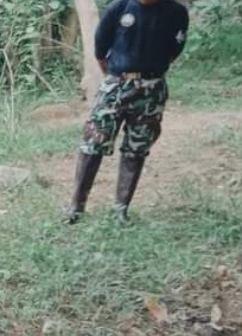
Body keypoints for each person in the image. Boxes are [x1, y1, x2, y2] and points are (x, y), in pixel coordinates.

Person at [66, 0, 189, 224]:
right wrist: (120, 76)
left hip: (152, 88)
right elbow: (100, 51)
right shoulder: (119, 8)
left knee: (137, 148)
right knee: (94, 143)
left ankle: (121, 209)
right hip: (116, 85)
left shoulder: (176, 12)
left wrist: (148, 72)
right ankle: (76, 206)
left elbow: (174, 51)